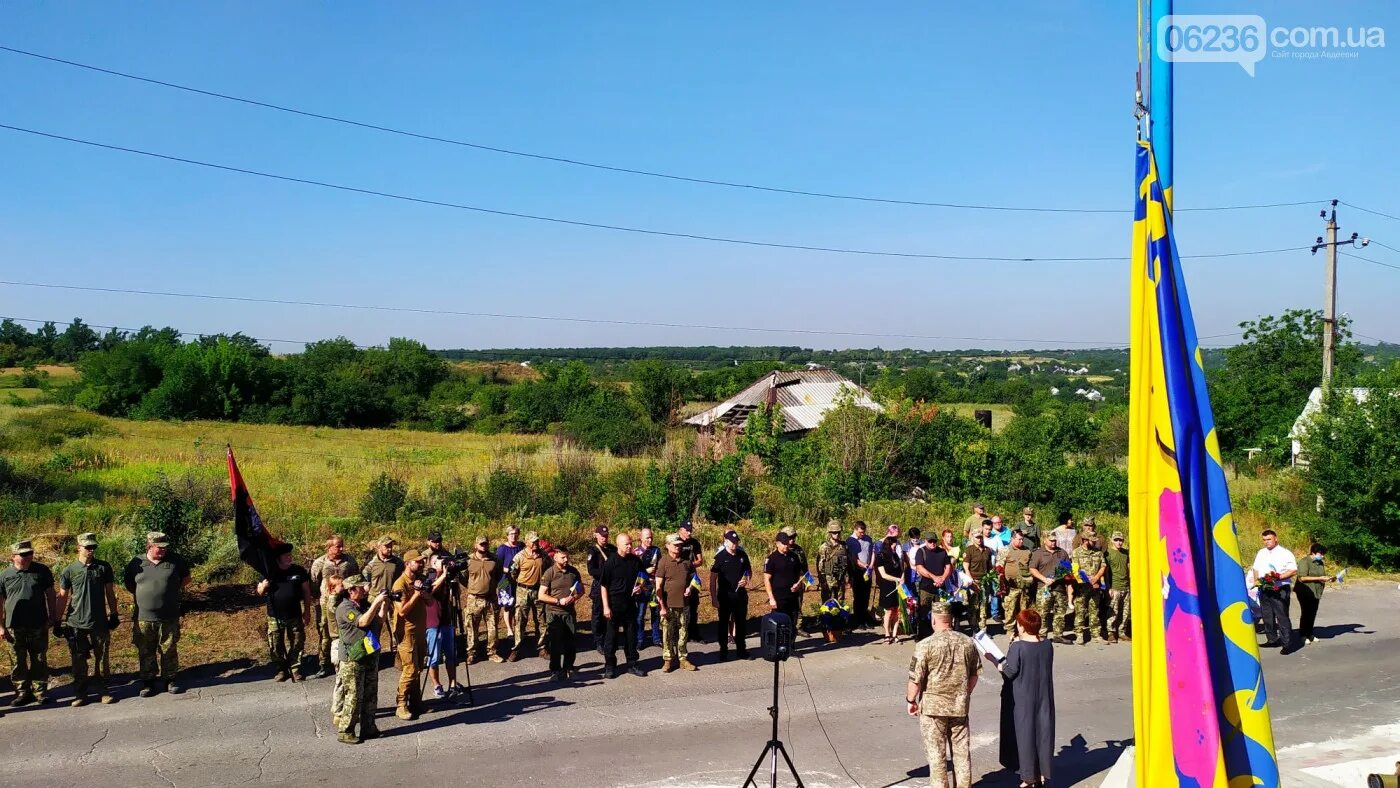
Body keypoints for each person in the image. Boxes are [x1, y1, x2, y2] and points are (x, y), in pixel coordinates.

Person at [906, 603, 981, 788]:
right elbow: (974, 674)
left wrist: (911, 701)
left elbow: (915, 679)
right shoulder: (968, 642)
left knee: (936, 755)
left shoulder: (925, 645)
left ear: (933, 620)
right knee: (962, 753)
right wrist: (964, 694)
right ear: (952, 620)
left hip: (933, 708)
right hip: (959, 707)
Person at [124, 531, 191, 696]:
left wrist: (170, 592)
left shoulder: (176, 560)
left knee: (169, 648)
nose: (162, 551)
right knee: (146, 650)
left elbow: (186, 579)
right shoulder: (136, 563)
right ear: (149, 546)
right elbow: (130, 584)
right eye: (158, 548)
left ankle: (170, 679)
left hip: (169, 615)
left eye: (164, 548)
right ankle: (148, 682)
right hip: (143, 617)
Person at [58, 533, 119, 706]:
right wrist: (57, 620)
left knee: (101, 659)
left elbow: (110, 592)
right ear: (79, 547)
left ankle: (104, 691)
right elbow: (62, 596)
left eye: (93, 547)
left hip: (99, 622)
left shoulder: (103, 567)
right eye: (88, 547)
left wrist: (113, 614)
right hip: (75, 623)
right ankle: (80, 694)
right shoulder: (70, 570)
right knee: (79, 660)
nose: (91, 550)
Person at [331, 574, 388, 744]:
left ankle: (368, 727)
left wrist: (384, 605)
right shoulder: (344, 608)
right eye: (361, 587)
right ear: (351, 590)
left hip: (369, 653)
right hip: (352, 658)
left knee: (370, 694)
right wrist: (376, 602)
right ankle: (346, 730)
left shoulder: (363, 605)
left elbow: (377, 622)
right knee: (354, 696)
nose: (365, 590)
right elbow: (362, 622)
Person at [1000, 609, 1056, 786]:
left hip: (1024, 697)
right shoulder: (1047, 644)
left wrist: (996, 662)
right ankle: (1042, 772)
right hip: (1044, 697)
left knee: (1026, 736)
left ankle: (1028, 776)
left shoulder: (1018, 646)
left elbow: (1009, 671)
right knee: (1043, 735)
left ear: (1022, 627)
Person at [1, 539, 58, 706]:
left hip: (38, 624)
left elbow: (50, 594)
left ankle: (40, 692)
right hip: (14, 626)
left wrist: (53, 616)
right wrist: (1, 626)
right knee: (17, 661)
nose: (28, 557)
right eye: (24, 554)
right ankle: (22, 692)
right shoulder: (5, 576)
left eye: (30, 553)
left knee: (39, 659)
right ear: (13, 557)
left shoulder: (41, 571)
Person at [392, 548, 445, 720]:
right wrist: (415, 594)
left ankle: (416, 703)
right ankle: (401, 705)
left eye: (422, 561)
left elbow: (429, 598)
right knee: (410, 669)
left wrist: (427, 592)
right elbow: (402, 611)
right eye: (418, 561)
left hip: (420, 630)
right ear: (408, 563)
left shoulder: (419, 580)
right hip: (406, 632)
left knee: (418, 668)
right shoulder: (400, 584)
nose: (421, 563)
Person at [255, 543, 314, 682]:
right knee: (276, 644)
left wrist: (307, 611)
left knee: (297, 642)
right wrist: (264, 586)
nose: (289, 557)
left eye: (290, 555)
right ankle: (281, 669)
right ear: (278, 557)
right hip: (275, 615)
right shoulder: (268, 571)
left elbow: (306, 591)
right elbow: (259, 591)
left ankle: (295, 668)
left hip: (295, 614)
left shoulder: (298, 571)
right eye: (286, 555)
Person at [309, 535, 358, 678]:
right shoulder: (320, 563)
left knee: (347, 630)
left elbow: (355, 578)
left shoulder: (349, 561)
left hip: (345, 602)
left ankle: (348, 658)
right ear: (329, 547)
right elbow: (313, 583)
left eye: (342, 545)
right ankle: (324, 664)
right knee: (325, 632)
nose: (341, 548)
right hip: (326, 603)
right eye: (338, 546)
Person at [597, 533, 644, 679]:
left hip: (630, 605)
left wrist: (641, 587)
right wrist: (606, 607)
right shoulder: (610, 562)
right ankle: (610, 666)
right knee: (611, 638)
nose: (630, 546)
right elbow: (603, 586)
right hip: (613, 606)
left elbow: (643, 578)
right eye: (627, 544)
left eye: (630, 543)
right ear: (618, 545)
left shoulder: (636, 561)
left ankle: (632, 664)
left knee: (631, 637)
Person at [539, 547, 582, 682]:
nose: (566, 559)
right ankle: (556, 670)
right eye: (563, 557)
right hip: (554, 613)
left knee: (571, 643)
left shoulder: (573, 572)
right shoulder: (549, 573)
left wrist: (573, 598)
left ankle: (569, 668)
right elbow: (541, 595)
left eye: (567, 557)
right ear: (555, 557)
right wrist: (558, 601)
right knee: (555, 644)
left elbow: (581, 591)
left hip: (569, 613)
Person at [654, 534, 697, 672]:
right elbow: (658, 586)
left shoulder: (686, 562)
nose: (677, 547)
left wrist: (690, 588)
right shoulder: (663, 562)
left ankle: (683, 658)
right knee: (667, 633)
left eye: (679, 544)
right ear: (667, 546)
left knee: (683, 632)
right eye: (674, 544)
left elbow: (694, 579)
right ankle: (668, 659)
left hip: (684, 604)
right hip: (668, 605)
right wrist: (662, 606)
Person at [1251, 529, 1298, 651]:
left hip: (1279, 587)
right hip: (1264, 587)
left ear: (1276, 538)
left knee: (1281, 616)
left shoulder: (1285, 553)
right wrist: (1256, 580)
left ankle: (1287, 643)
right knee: (1267, 615)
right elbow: (1255, 568)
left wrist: (1278, 577)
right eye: (1264, 540)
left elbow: (1293, 570)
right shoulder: (1261, 553)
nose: (1267, 542)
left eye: (1269, 539)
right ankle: (1272, 639)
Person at [424, 552, 462, 699]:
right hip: (433, 623)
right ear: (433, 564)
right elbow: (430, 590)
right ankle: (437, 685)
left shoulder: (447, 577)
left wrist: (454, 579)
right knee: (434, 657)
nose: (444, 563)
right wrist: (443, 574)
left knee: (451, 655)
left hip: (447, 620)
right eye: (440, 561)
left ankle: (453, 683)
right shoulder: (430, 577)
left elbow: (456, 595)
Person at [711, 529, 752, 661]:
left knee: (741, 623)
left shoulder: (742, 555)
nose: (735, 544)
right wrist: (713, 598)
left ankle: (741, 650)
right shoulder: (720, 557)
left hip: (740, 596)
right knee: (723, 624)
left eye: (736, 542)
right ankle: (723, 651)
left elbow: (748, 572)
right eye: (732, 542)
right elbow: (712, 579)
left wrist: (746, 580)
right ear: (726, 542)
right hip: (725, 596)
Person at [362, 536, 404, 664]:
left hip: (392, 600)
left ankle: (398, 657)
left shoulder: (398, 563)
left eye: (391, 546)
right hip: (375, 600)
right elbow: (364, 582)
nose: (389, 548)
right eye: (386, 546)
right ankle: (371, 658)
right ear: (378, 547)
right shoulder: (371, 565)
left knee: (396, 628)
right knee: (373, 630)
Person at [463, 536, 504, 664]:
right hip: (474, 599)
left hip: (490, 599)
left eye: (485, 544)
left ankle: (492, 652)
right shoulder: (468, 560)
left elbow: (498, 576)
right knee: (472, 628)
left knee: (492, 627)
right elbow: (463, 578)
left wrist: (492, 588)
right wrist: (474, 588)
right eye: (481, 544)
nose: (483, 546)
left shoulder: (495, 560)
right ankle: (471, 653)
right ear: (475, 545)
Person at [1028, 533, 1071, 642]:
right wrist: (1044, 579)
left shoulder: (1062, 552)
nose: (1053, 542)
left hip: (1059, 588)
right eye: (1051, 540)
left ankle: (1058, 635)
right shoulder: (1038, 553)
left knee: (1060, 612)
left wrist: (1057, 577)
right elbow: (1032, 569)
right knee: (1043, 613)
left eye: (1055, 540)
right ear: (1045, 541)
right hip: (1044, 587)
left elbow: (1067, 567)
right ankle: (1042, 636)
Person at [509, 533, 546, 659]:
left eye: (537, 541)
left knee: (541, 620)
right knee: (520, 620)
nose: (536, 543)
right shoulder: (519, 557)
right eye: (533, 541)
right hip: (523, 591)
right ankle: (516, 649)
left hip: (539, 591)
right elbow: (512, 573)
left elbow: (549, 568)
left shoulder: (543, 555)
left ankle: (542, 647)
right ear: (526, 542)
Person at [1068, 535, 1105, 645]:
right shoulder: (1076, 552)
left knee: (1094, 611)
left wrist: (1097, 577)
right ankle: (1079, 634)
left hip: (1095, 587)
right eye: (1091, 541)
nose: (1094, 543)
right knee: (1080, 611)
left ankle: (1096, 634)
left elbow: (1103, 566)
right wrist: (1086, 579)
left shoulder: (1098, 552)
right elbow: (1075, 569)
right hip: (1082, 587)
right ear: (1084, 540)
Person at [1294, 542, 1334, 646]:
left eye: (1323, 554)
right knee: (1306, 612)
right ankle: (1303, 635)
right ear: (1313, 552)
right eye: (1321, 554)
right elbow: (1302, 578)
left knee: (1313, 612)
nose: (1322, 556)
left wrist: (1329, 578)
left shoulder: (1320, 563)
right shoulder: (1304, 562)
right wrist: (1319, 578)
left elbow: (1322, 576)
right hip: (1305, 590)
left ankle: (1310, 633)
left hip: (1317, 591)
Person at [764, 532, 805, 629]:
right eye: (783, 543)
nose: (786, 545)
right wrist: (771, 598)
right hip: (779, 598)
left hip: (793, 596)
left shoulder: (794, 557)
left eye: (787, 543)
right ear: (777, 543)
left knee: (792, 623)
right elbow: (766, 579)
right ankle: (779, 644)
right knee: (779, 625)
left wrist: (798, 585)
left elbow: (799, 575)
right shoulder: (772, 559)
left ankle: (790, 643)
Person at [913, 534, 951, 640]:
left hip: (940, 588)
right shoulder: (921, 551)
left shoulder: (942, 552)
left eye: (934, 541)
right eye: (930, 541)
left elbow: (948, 567)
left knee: (941, 613)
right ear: (925, 541)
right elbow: (919, 568)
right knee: (923, 613)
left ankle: (939, 636)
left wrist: (943, 578)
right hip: (926, 587)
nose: (932, 543)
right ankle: (922, 636)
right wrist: (934, 577)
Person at [586, 525, 616, 655]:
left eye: (606, 535)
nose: (604, 538)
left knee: (610, 613)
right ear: (596, 535)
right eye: (602, 536)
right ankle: (598, 641)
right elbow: (591, 570)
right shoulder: (593, 551)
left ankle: (608, 638)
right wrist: (606, 573)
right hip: (599, 585)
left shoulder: (612, 549)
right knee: (598, 614)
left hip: (612, 586)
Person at [998, 531, 1034, 638]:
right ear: (1012, 539)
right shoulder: (1005, 550)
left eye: (1022, 539)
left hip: (1024, 586)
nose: (1021, 541)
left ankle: (1023, 628)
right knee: (1010, 609)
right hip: (1011, 586)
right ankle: (1010, 629)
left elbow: (1031, 565)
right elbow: (999, 567)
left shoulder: (1027, 551)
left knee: (1024, 609)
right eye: (1019, 539)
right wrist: (1001, 583)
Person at [633, 528, 662, 650]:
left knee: (655, 613)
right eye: (647, 538)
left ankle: (656, 638)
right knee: (640, 614)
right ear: (641, 538)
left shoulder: (656, 550)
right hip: (642, 587)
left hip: (654, 586)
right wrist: (646, 572)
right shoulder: (636, 552)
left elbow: (661, 567)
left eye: (651, 537)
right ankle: (640, 639)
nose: (649, 540)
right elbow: (634, 571)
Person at [676, 521, 704, 642]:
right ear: (680, 530)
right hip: (679, 577)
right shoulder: (676, 542)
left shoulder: (694, 543)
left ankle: (694, 633)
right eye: (687, 530)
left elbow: (700, 560)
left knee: (693, 605)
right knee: (680, 606)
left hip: (692, 576)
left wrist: (690, 564)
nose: (689, 532)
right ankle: (680, 633)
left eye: (690, 530)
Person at [495, 526, 524, 643]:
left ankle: (518, 628)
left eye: (516, 533)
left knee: (517, 605)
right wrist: (508, 570)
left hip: (519, 580)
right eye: (511, 534)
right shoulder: (502, 549)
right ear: (507, 535)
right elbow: (497, 565)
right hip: (505, 580)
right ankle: (509, 629)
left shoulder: (521, 546)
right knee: (507, 605)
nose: (514, 536)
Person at [846, 521, 876, 628]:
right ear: (855, 529)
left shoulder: (868, 539)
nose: (862, 534)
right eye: (860, 532)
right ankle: (858, 620)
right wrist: (864, 565)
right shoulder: (850, 541)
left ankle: (865, 618)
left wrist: (871, 565)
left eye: (863, 532)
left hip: (867, 571)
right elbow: (854, 559)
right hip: (857, 572)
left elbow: (873, 552)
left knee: (866, 595)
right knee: (858, 596)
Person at [875, 534, 904, 644]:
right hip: (887, 585)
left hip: (898, 585)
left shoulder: (895, 556)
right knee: (889, 611)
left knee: (897, 611)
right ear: (889, 545)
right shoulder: (881, 556)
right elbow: (883, 574)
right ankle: (887, 633)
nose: (895, 547)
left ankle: (895, 634)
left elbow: (901, 570)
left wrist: (902, 579)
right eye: (894, 545)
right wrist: (896, 579)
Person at [1103, 531, 1130, 643]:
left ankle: (1122, 632)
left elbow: (1129, 567)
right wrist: (1109, 587)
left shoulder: (1125, 553)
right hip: (1114, 586)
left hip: (1126, 586)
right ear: (1112, 540)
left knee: (1125, 611)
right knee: (1113, 611)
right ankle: (1111, 632)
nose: (1119, 542)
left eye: (1121, 540)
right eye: (1116, 540)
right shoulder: (1108, 553)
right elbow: (1106, 572)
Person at [962, 530, 992, 633]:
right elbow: (966, 567)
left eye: (980, 537)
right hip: (973, 580)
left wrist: (991, 577)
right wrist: (971, 582)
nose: (979, 539)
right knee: (973, 606)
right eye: (977, 537)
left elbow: (989, 567)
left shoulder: (987, 550)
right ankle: (974, 628)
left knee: (983, 605)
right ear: (972, 538)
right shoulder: (969, 550)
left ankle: (983, 629)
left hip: (984, 581)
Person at [817, 520, 849, 603]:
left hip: (840, 578)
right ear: (830, 533)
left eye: (838, 532)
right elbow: (820, 565)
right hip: (828, 579)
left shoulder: (844, 546)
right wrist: (822, 580)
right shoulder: (824, 547)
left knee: (840, 602)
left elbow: (847, 563)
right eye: (834, 532)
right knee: (827, 603)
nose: (837, 534)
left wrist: (848, 576)